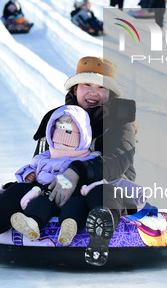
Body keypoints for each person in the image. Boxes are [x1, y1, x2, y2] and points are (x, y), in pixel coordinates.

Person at [0, 56, 137, 267]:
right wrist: (28, 180)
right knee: (18, 191)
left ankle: (101, 230)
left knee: (103, 194)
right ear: (75, 89)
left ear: (111, 94)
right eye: (87, 84)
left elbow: (117, 162)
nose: (93, 92)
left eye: (101, 87)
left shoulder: (119, 123)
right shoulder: (58, 119)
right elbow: (43, 161)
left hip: (100, 189)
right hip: (54, 191)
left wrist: (76, 171)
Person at [9, 105, 101, 246]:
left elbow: (95, 170)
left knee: (76, 205)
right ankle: (31, 223)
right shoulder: (45, 157)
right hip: (49, 191)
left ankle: (69, 226)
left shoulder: (88, 158)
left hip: (75, 193)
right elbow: (31, 166)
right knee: (41, 203)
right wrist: (29, 174)